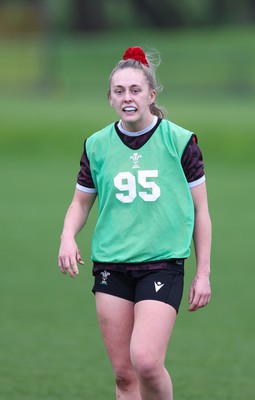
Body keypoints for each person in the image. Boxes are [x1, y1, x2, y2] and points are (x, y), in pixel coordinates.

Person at [58, 46, 212, 400]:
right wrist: (68, 236)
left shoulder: (180, 141)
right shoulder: (96, 145)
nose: (127, 97)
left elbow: (201, 211)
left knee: (145, 362)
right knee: (124, 376)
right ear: (110, 98)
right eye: (119, 91)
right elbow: (80, 203)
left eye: (135, 90)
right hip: (112, 264)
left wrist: (203, 273)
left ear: (151, 95)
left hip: (161, 263)